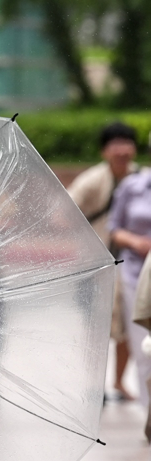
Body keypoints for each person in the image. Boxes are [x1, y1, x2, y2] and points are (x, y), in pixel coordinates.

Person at [68, 122, 139, 400]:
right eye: (115, 143)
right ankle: (93, 388)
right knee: (94, 328)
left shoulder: (141, 180)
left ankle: (119, 382)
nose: (121, 149)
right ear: (104, 150)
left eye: (126, 142)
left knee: (128, 325)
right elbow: (66, 209)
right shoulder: (91, 180)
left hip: (131, 266)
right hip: (94, 266)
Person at [109, 136, 151, 407]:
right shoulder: (132, 186)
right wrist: (136, 242)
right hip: (139, 277)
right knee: (145, 350)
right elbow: (114, 228)